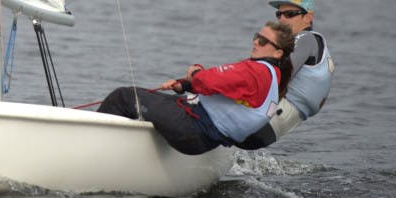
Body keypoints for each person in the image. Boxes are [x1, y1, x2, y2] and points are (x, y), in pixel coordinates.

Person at [97, 22, 295, 155]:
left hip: (193, 130)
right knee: (145, 98)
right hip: (205, 135)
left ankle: (94, 151)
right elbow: (225, 88)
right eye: (256, 36)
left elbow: (210, 80)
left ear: (277, 52)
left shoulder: (256, 71)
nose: (255, 42)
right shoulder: (272, 76)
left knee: (123, 97)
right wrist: (185, 85)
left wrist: (195, 74)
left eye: (262, 40)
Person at [238, 0, 335, 150]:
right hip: (276, 125)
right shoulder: (308, 45)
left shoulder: (306, 39)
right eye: (279, 14)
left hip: (270, 117)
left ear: (308, 18)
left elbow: (280, 73)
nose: (282, 19)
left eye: (290, 14)